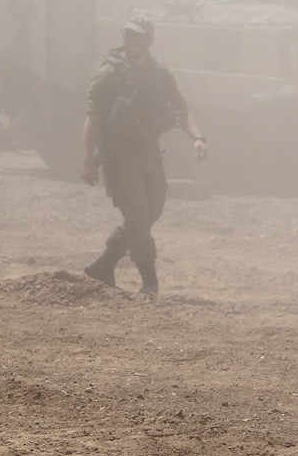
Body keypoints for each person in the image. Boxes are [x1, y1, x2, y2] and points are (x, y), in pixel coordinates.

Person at [80, 15, 206, 295]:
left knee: (152, 211)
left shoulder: (160, 74)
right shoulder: (110, 74)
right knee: (137, 217)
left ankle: (104, 263)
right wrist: (88, 161)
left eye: (137, 37)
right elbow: (93, 119)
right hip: (121, 156)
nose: (131, 41)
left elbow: (181, 108)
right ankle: (150, 282)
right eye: (127, 36)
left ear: (149, 40)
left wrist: (197, 138)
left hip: (149, 151)